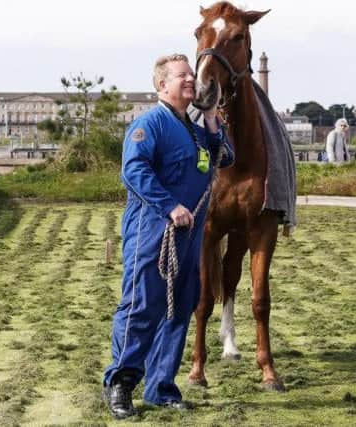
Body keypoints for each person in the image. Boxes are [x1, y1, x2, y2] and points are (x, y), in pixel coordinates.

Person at [102, 53, 234, 419]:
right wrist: (170, 206)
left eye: (192, 74)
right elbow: (134, 171)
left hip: (190, 238)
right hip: (152, 232)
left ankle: (161, 387)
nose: (191, 79)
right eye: (182, 76)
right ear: (162, 85)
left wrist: (210, 119)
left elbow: (226, 158)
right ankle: (121, 384)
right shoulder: (149, 125)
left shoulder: (194, 129)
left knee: (180, 308)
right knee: (142, 305)